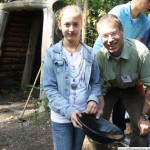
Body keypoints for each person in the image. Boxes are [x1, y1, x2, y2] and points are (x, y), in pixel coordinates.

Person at [43, 5, 102, 150]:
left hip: (83, 115)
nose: (71, 29)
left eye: (75, 24)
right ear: (59, 25)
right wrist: (69, 111)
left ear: (81, 25)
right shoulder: (52, 53)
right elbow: (49, 88)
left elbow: (96, 82)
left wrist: (93, 99)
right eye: (67, 24)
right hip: (61, 117)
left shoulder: (90, 53)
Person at [93, 0, 150, 132]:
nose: (110, 38)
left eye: (113, 33)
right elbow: (99, 87)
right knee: (98, 121)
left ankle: (125, 134)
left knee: (139, 124)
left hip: (129, 71)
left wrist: (145, 116)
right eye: (105, 36)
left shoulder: (143, 20)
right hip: (109, 75)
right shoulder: (118, 12)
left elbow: (137, 42)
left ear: (122, 30)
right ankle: (111, 137)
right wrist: (100, 105)